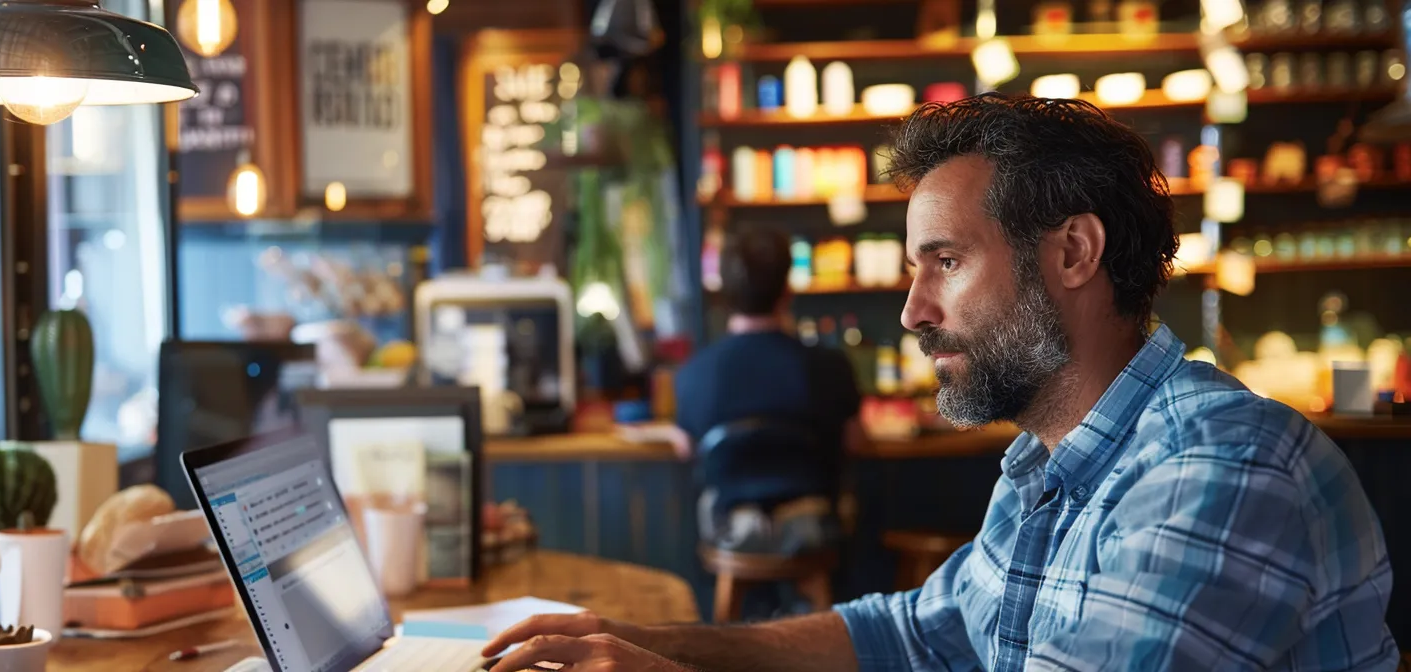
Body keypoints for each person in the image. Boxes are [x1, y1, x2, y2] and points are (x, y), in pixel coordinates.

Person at [482, 94, 1398, 671]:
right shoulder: (1045, 465)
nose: (915, 311)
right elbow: (918, 632)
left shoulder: (1221, 467)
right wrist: (642, 641)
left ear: (1073, 252)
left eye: (946, 261)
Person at [671, 225, 862, 556]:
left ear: (724, 293)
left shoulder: (694, 373)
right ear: (787, 290)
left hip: (730, 532)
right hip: (815, 531)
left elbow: (687, 448)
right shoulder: (829, 365)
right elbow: (856, 442)